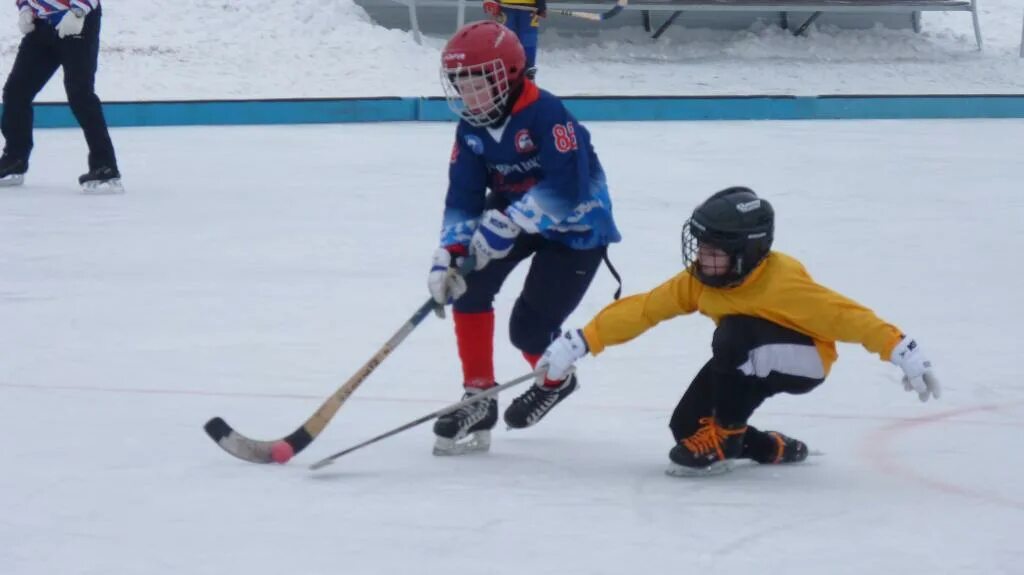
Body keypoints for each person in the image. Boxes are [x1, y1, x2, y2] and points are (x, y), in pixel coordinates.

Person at [532, 186, 942, 476]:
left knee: (733, 337)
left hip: (805, 361)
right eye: (701, 248)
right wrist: (580, 342)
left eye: (714, 252)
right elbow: (644, 309)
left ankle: (727, 436)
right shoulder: (700, 281)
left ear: (747, 253)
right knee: (686, 428)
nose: (701, 259)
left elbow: (846, 317)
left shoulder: (783, 283)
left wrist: (900, 348)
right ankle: (772, 447)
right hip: (745, 358)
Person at [427, 20, 621, 455]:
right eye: (460, 84)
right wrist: (449, 252)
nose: (468, 95)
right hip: (512, 214)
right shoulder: (472, 128)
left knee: (529, 331)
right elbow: (463, 195)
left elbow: (568, 187)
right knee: (469, 288)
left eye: (479, 83)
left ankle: (555, 378)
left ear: (510, 74)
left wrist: (509, 223)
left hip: (576, 229)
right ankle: (479, 397)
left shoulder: (546, 113)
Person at [0, 0, 122, 192]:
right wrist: (24, 8)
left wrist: (78, 11)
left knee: (80, 94)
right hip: (42, 25)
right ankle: (15, 158)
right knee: (16, 91)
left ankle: (104, 165)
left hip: (77, 22)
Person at [483, 0, 545, 79]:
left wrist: (541, 3)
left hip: (529, 9)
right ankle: (503, 72)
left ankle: (528, 73)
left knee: (528, 41)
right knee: (504, 40)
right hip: (506, 8)